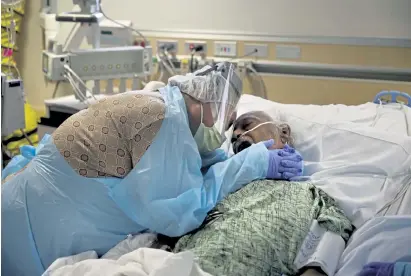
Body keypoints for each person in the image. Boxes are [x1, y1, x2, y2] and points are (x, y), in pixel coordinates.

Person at [1, 62, 303, 275]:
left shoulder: (166, 108)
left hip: (24, 207)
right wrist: (252, 162)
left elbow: (191, 163)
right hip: (32, 234)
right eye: (229, 120)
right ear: (203, 102)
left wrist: (238, 162)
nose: (229, 133)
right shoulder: (166, 121)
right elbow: (177, 212)